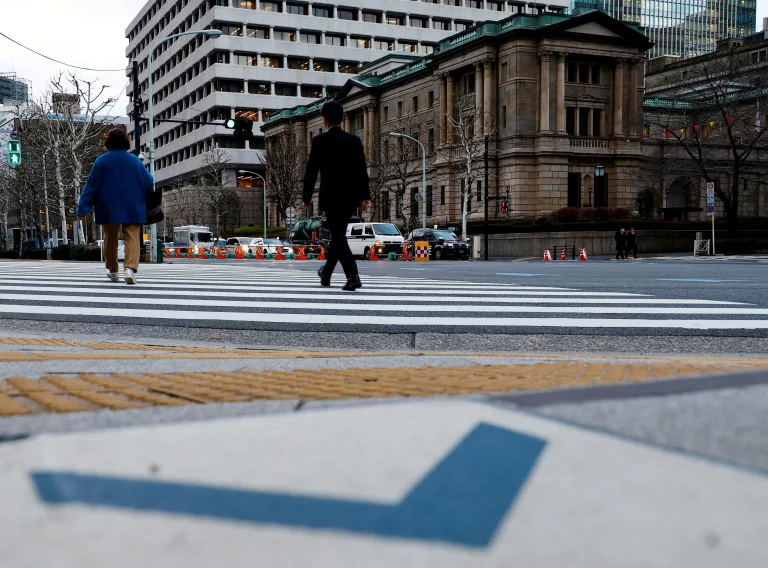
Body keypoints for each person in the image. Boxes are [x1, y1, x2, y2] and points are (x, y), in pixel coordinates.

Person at [302, 101, 371, 291]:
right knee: (338, 235)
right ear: (342, 118)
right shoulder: (354, 141)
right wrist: (365, 197)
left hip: (330, 197)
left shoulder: (319, 141)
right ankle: (326, 273)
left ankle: (352, 275)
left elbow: (311, 171)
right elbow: (361, 171)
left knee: (338, 236)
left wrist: (306, 197)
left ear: (324, 119)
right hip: (350, 197)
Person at [77, 129, 154, 285]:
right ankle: (130, 269)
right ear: (126, 141)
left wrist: (82, 208)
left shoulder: (101, 161)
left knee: (110, 238)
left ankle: (112, 270)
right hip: (132, 204)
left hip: (108, 205)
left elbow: (91, 186)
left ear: (108, 142)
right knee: (132, 236)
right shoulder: (135, 161)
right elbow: (149, 182)